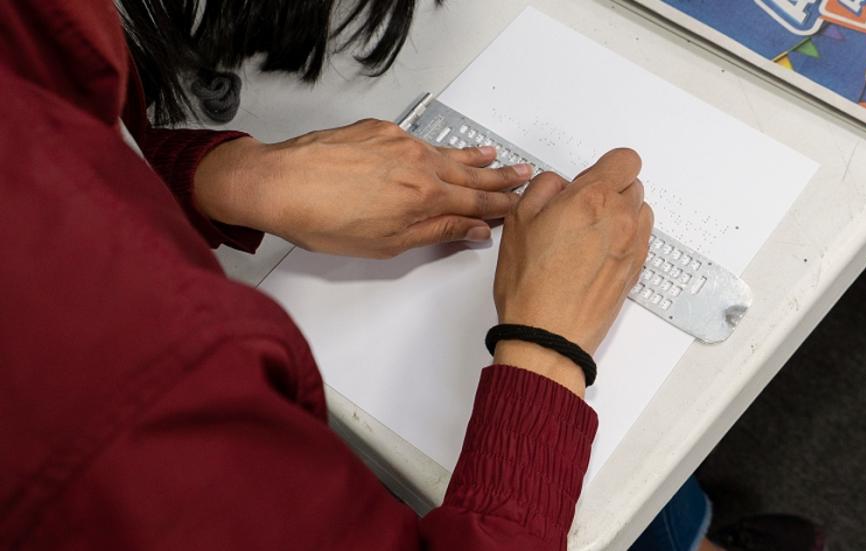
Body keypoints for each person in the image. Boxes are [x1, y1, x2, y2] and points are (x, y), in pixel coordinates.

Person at [0, 1, 824, 549]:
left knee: (650, 475)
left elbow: (79, 143)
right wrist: (545, 347)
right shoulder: (127, 394)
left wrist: (227, 179)